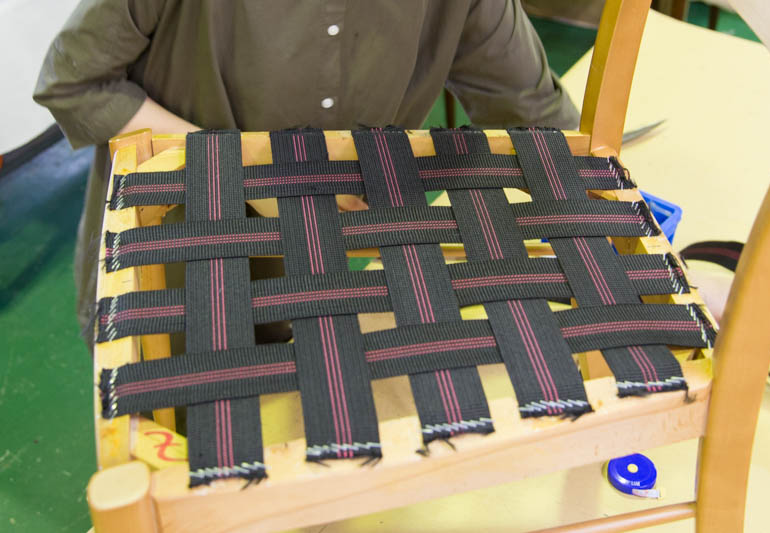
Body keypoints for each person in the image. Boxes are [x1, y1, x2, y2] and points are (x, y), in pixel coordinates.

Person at [33, 0, 579, 349]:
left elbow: (536, 117)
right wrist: (255, 173)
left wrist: (602, 229)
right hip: (177, 267)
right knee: (192, 448)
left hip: (316, 281)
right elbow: (77, 84)